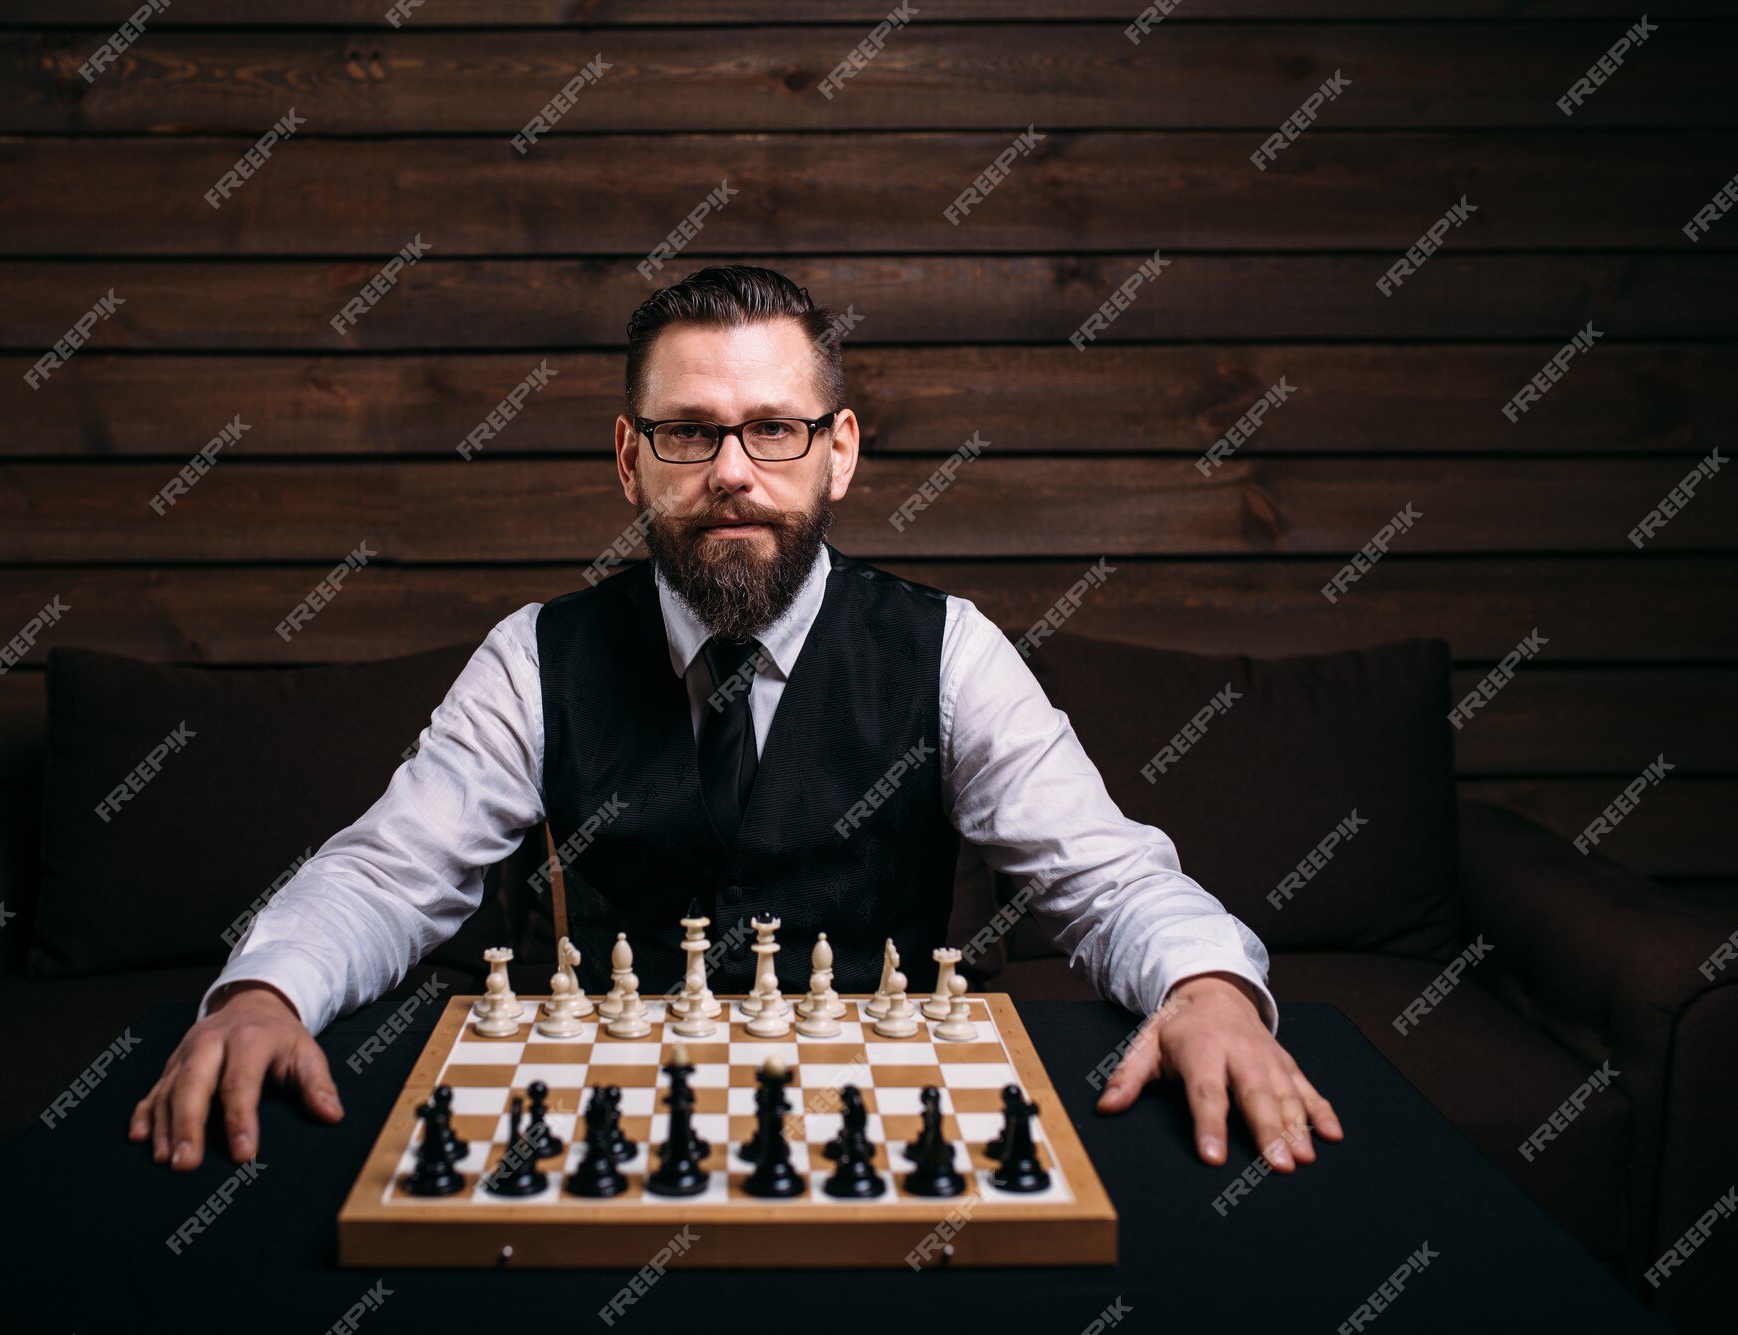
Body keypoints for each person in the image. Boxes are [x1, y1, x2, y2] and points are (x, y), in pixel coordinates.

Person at [129, 264, 1342, 1176]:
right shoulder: (533, 658)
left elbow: (1107, 879)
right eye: (686, 432)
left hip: (872, 1125)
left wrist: (1206, 988)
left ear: (838, 453)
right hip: (607, 1125)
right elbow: (389, 878)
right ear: (627, 458)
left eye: (772, 428)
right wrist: (265, 995)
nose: (730, 471)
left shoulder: (948, 652)